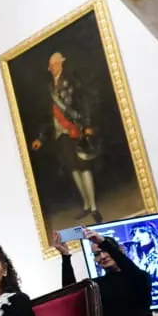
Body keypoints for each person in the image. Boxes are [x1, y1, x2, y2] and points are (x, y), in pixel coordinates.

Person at [30, 50, 104, 223]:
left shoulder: (72, 80)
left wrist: (87, 126)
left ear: (60, 64)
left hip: (75, 129)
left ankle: (94, 207)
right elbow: (47, 115)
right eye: (50, 66)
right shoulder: (50, 89)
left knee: (84, 166)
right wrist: (40, 137)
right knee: (73, 169)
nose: (50, 69)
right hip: (60, 134)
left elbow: (83, 103)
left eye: (53, 65)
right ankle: (86, 205)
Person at [59, 229, 154, 316]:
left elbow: (132, 272)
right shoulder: (95, 285)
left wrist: (102, 242)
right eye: (97, 254)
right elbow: (70, 296)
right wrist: (65, 257)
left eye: (105, 250)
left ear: (120, 250)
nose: (102, 256)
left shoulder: (140, 276)